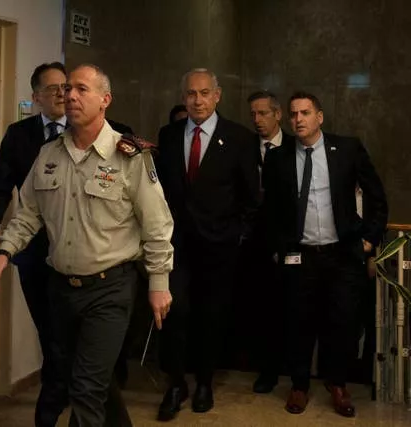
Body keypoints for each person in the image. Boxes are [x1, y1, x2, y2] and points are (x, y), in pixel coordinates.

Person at [0, 64, 174, 427]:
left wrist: (158, 283)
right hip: (61, 290)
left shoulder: (130, 157)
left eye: (81, 89)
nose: (70, 95)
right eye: (68, 89)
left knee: (86, 388)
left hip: (110, 289)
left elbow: (157, 225)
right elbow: (28, 215)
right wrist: (5, 251)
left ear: (105, 100)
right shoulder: (49, 154)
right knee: (88, 381)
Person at [262, 91, 388, 417]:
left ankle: (338, 385)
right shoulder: (278, 158)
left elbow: (377, 196)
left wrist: (369, 241)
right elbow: (270, 211)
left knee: (342, 323)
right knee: (299, 323)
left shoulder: (347, 149)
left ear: (319, 117)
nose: (298, 119)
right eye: (293, 114)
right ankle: (300, 386)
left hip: (342, 255)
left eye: (305, 113)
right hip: (299, 257)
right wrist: (278, 249)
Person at [155, 68, 260, 420]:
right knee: (174, 313)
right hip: (176, 247)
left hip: (220, 247)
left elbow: (251, 196)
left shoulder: (240, 138)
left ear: (217, 96)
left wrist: (236, 234)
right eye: (190, 94)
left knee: (211, 317)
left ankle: (204, 383)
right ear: (183, 97)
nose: (197, 100)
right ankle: (175, 383)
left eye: (204, 93)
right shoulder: (168, 136)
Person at [244, 90, 295, 393]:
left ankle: (286, 369)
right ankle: (261, 367)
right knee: (256, 309)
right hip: (251, 242)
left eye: (263, 113)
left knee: (285, 310)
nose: (257, 120)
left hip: (285, 242)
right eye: (253, 114)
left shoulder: (294, 148)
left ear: (278, 115)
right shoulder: (244, 147)